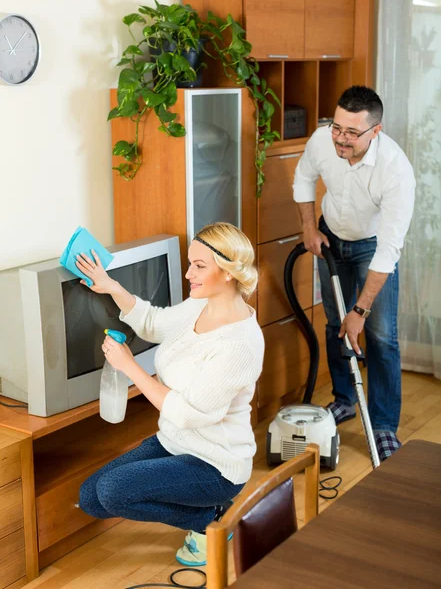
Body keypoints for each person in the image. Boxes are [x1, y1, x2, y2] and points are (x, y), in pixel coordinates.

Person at [76, 222, 264, 567]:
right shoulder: (200, 305)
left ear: (227, 272)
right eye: (190, 262)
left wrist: (129, 367)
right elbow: (153, 323)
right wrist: (111, 286)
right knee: (90, 498)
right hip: (175, 442)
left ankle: (213, 519)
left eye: (199, 266)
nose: (189, 273)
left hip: (215, 465)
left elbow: (187, 413)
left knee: (113, 491)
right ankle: (208, 517)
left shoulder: (240, 344)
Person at [293, 85, 415, 461]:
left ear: (374, 131)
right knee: (335, 325)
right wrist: (309, 228)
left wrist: (360, 311)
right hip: (330, 238)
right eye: (336, 127)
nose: (340, 138)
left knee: (380, 335)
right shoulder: (321, 140)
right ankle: (344, 399)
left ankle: (382, 426)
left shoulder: (395, 171)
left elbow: (389, 251)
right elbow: (302, 179)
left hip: (372, 248)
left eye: (351, 133)